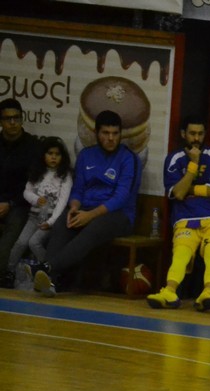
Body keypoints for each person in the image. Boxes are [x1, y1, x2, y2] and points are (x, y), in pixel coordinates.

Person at [34, 110, 140, 297]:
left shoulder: (128, 158)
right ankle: (50, 282)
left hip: (118, 215)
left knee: (94, 228)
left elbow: (121, 196)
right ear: (96, 133)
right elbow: (78, 189)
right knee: (62, 223)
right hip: (86, 209)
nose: (111, 138)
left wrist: (90, 215)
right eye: (106, 133)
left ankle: (47, 268)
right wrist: (74, 207)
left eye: (115, 133)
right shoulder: (86, 155)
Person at [147, 115, 210, 311]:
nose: (196, 138)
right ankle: (169, 292)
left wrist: (188, 189)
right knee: (181, 253)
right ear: (183, 134)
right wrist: (193, 166)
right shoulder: (174, 158)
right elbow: (177, 193)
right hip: (185, 218)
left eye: (200, 134)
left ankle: (207, 292)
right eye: (192, 133)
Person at [5, 137, 72, 282]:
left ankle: (50, 270)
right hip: (33, 217)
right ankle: (9, 271)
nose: (53, 157)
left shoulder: (65, 175)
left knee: (34, 242)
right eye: (50, 153)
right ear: (43, 155)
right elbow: (26, 192)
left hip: (51, 219)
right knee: (21, 243)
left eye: (57, 154)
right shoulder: (37, 171)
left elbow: (63, 202)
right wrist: (35, 199)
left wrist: (51, 221)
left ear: (62, 157)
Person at [0, 98, 40, 287]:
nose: (13, 122)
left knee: (12, 232)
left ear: (22, 119)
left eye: (16, 118)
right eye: (8, 118)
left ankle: (2, 274)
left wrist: (10, 203)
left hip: (20, 204)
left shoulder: (33, 146)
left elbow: (34, 183)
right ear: (1, 121)